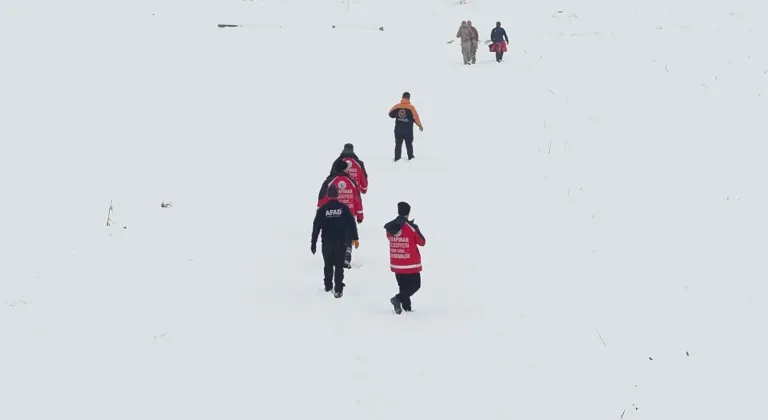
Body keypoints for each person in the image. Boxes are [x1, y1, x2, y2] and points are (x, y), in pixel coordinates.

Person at [311, 185, 359, 298]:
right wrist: (355, 237)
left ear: (327, 195)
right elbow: (352, 223)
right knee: (338, 266)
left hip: (327, 242)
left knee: (328, 265)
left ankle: (328, 285)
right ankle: (338, 288)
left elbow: (316, 226)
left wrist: (313, 243)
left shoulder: (323, 209)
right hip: (340, 241)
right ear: (338, 195)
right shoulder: (344, 208)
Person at [317, 159, 364, 268]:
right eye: (347, 168)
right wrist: (360, 215)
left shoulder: (329, 181)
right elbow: (357, 199)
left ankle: (335, 256)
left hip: (331, 214)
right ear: (343, 169)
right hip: (349, 214)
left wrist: (320, 214)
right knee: (347, 236)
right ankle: (346, 256)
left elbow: (322, 198)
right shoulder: (351, 181)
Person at [384, 201, 426, 314]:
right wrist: (415, 228)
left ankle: (405, 308)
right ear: (408, 213)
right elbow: (422, 242)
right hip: (410, 263)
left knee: (403, 287)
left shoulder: (390, 227)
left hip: (396, 263)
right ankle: (397, 299)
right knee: (415, 285)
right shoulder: (411, 227)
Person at [388, 92, 423, 162]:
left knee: (398, 144)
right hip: (408, 130)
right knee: (409, 144)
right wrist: (420, 126)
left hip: (398, 130)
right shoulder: (411, 108)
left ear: (402, 97)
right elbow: (416, 117)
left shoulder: (397, 106)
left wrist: (397, 115)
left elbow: (390, 113)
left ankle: (397, 158)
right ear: (409, 98)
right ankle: (411, 158)